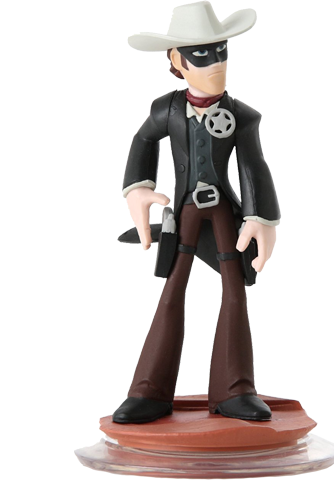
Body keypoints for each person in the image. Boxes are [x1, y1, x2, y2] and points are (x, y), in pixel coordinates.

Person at [113, 1, 281, 424]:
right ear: (177, 60)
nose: (216, 63)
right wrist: (138, 188)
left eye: (221, 51)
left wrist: (261, 217)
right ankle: (149, 391)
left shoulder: (241, 116)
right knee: (173, 289)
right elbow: (142, 141)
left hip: (223, 210)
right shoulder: (166, 110)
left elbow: (254, 165)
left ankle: (235, 389)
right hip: (185, 209)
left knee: (234, 291)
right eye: (202, 54)